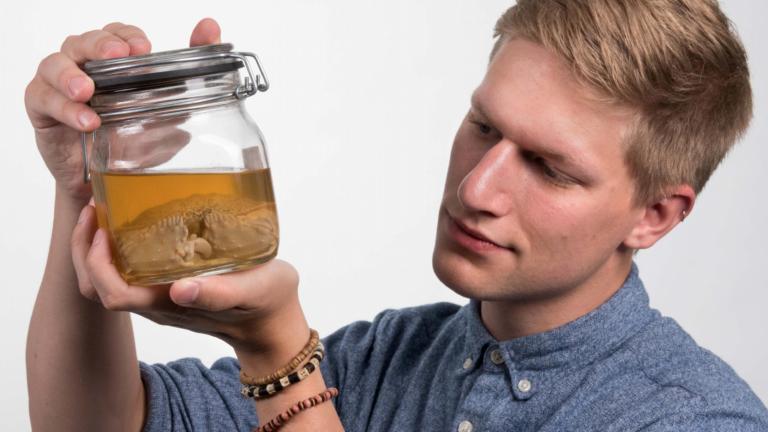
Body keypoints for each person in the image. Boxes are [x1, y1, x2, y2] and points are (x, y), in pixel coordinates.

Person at [25, 1, 768, 431]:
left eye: (548, 167)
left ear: (655, 216)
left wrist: (280, 360)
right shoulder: (389, 357)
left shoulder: (696, 419)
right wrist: (86, 185)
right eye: (483, 126)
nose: (477, 187)